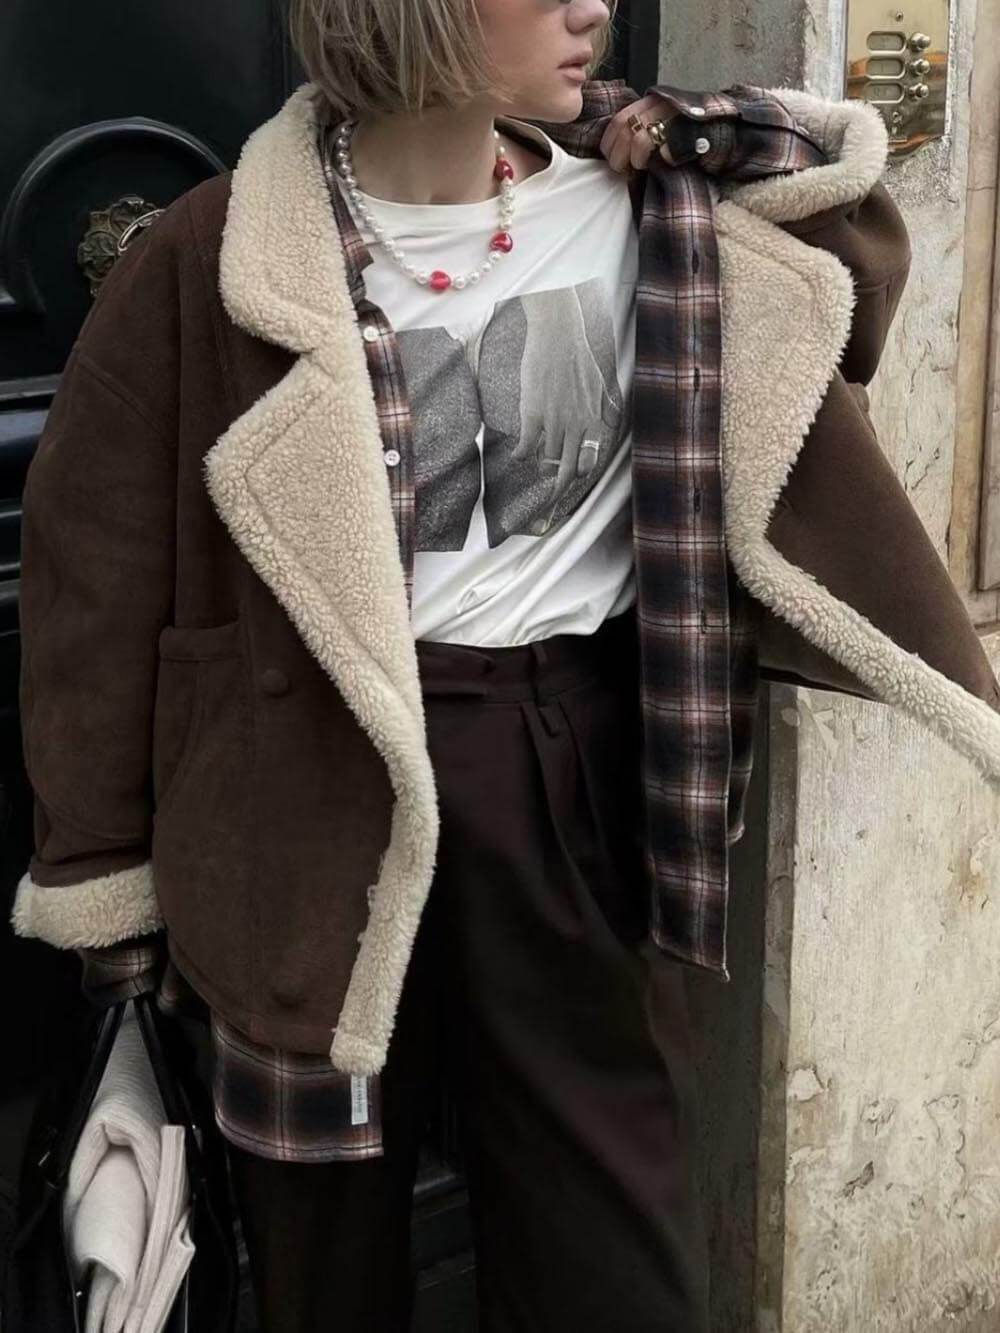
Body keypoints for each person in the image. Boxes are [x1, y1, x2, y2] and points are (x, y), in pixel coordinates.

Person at [12, 0, 1000, 1329]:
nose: (593, 7)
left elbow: (851, 284)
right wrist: (105, 895)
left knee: (615, 1267)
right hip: (300, 805)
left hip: (573, 770)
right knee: (323, 1274)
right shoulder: (212, 259)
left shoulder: (652, 202)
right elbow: (93, 584)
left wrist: (716, 137)